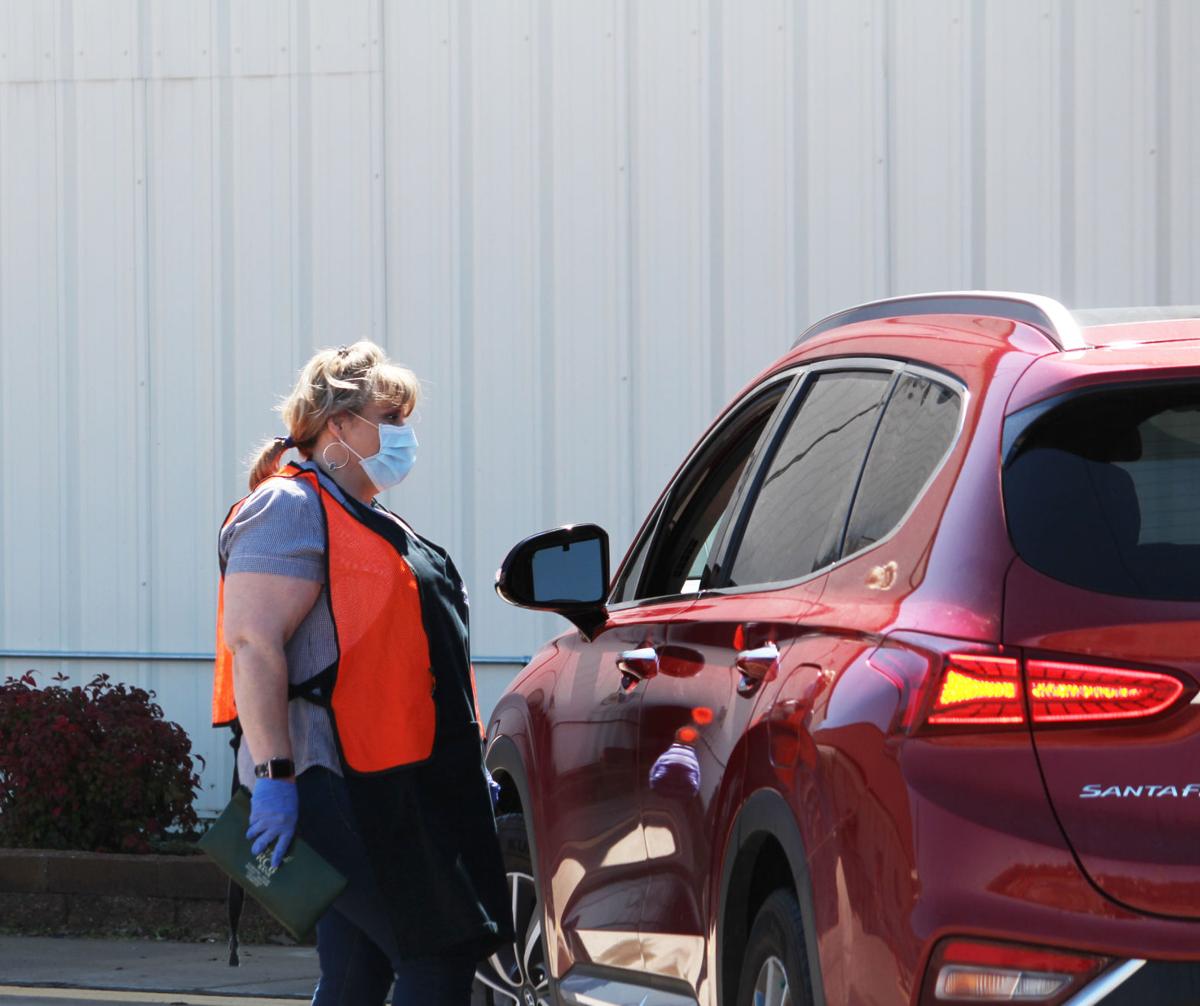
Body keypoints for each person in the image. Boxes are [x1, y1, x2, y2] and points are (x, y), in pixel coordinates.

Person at [211, 341, 511, 1004]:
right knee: (438, 950)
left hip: (387, 781)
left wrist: (464, 764)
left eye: (407, 418)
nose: (404, 433)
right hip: (325, 781)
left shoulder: (371, 520)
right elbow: (253, 644)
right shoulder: (287, 508)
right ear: (338, 425)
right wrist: (274, 779)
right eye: (389, 417)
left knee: (360, 968)